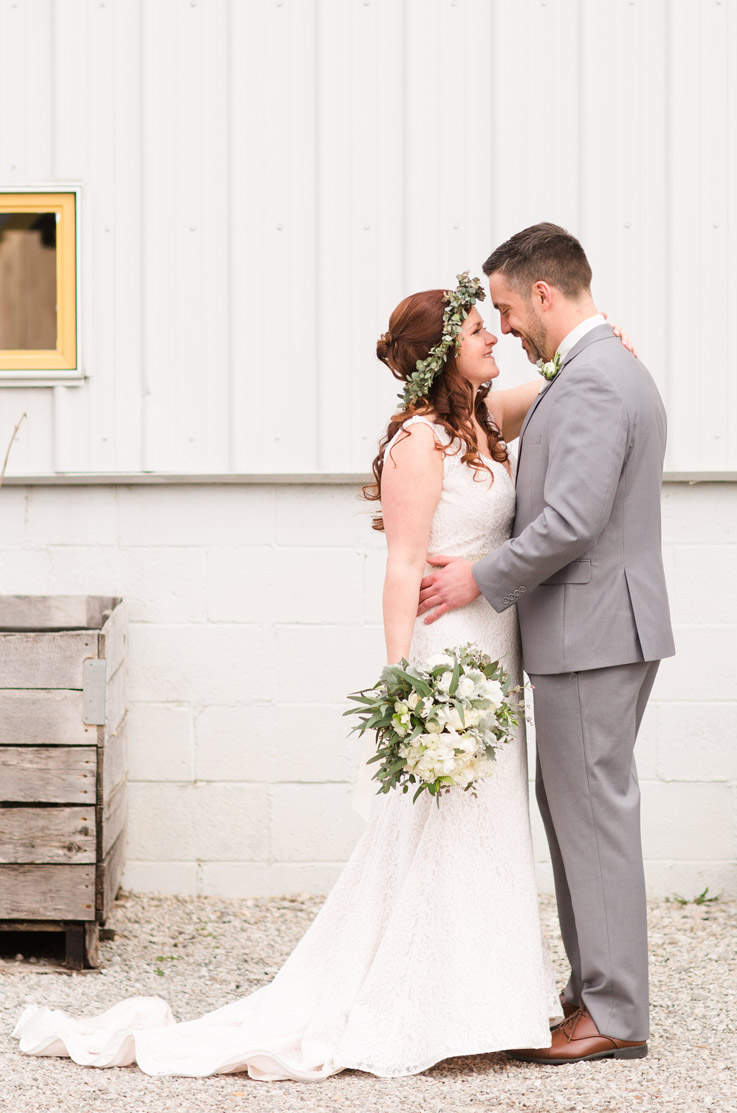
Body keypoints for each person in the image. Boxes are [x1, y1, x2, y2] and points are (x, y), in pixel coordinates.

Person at [14, 273, 562, 1080]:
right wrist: (402, 687)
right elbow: (401, 565)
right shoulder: (420, 442)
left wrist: (590, 348)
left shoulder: (481, 419)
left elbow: (549, 385)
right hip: (447, 661)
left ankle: (484, 1000)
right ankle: (423, 1002)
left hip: (496, 649)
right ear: (444, 354)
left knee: (487, 828)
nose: (493, 339)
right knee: (444, 826)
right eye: (477, 330)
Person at [417, 223, 675, 1064]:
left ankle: (612, 1011)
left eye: (504, 307)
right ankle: (592, 994)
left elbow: (571, 521)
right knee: (578, 814)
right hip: (592, 630)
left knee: (592, 817)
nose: (504, 327)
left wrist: (478, 580)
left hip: (591, 632)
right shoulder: (593, 370)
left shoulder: (598, 380)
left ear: (542, 293)